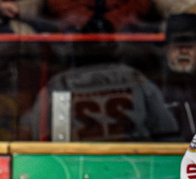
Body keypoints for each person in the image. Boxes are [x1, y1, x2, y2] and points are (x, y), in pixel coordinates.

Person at [20, 36, 179, 140]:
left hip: (77, 164)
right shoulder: (134, 77)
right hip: (133, 163)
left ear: (78, 49)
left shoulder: (60, 82)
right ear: (114, 48)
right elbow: (167, 130)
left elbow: (33, 129)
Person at [160, 13, 196, 138]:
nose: (184, 51)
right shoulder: (153, 88)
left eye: (189, 46)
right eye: (177, 46)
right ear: (166, 50)